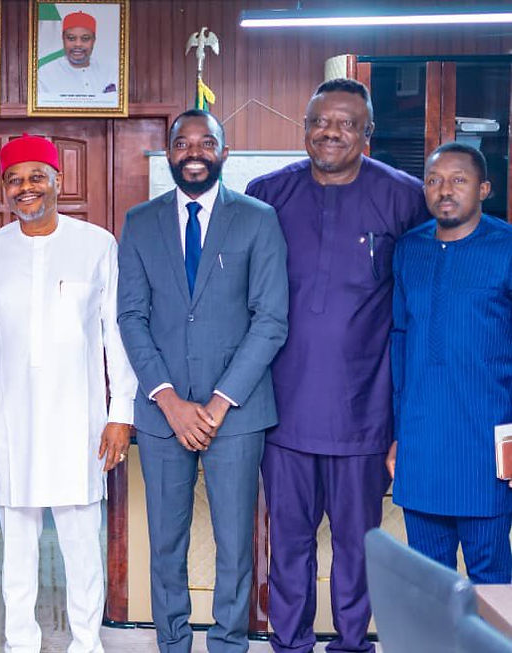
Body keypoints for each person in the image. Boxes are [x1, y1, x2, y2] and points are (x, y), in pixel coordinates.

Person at [245, 78, 430, 653]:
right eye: (321, 121)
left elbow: (420, 303)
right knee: (290, 543)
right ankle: (290, 643)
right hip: (284, 410)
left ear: (367, 135)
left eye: (347, 123)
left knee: (357, 544)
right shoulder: (266, 194)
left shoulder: (403, 197)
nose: (331, 132)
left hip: (364, 410)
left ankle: (353, 644)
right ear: (304, 128)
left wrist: (405, 421)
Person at [118, 110, 288, 653]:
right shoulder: (140, 222)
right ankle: (172, 643)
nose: (194, 151)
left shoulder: (258, 219)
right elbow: (131, 317)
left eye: (206, 142)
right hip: (164, 415)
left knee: (236, 543)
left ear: (224, 152)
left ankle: (229, 643)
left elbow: (270, 319)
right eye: (182, 142)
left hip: (235, 415)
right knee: (165, 543)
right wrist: (168, 400)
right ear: (169, 153)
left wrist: (215, 405)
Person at [0, 134, 136, 653]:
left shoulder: (96, 245)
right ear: (4, 189)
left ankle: (86, 641)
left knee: (83, 542)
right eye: (14, 180)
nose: (25, 188)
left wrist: (120, 412)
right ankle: (21, 642)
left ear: (59, 181)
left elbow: (117, 336)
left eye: (36, 177)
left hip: (78, 421)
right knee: (16, 545)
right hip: (9, 421)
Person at [389, 142, 512, 582]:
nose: (445, 190)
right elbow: (399, 345)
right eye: (435, 180)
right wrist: (396, 435)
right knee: (428, 585)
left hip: (488, 447)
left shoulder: (506, 248)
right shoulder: (409, 250)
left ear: (484, 188)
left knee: (492, 582)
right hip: (421, 445)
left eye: (459, 180)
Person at [37, 11, 117, 105]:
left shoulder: (110, 72)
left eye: (85, 38)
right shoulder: (45, 74)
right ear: (63, 39)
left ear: (94, 40)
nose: (78, 44)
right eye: (71, 38)